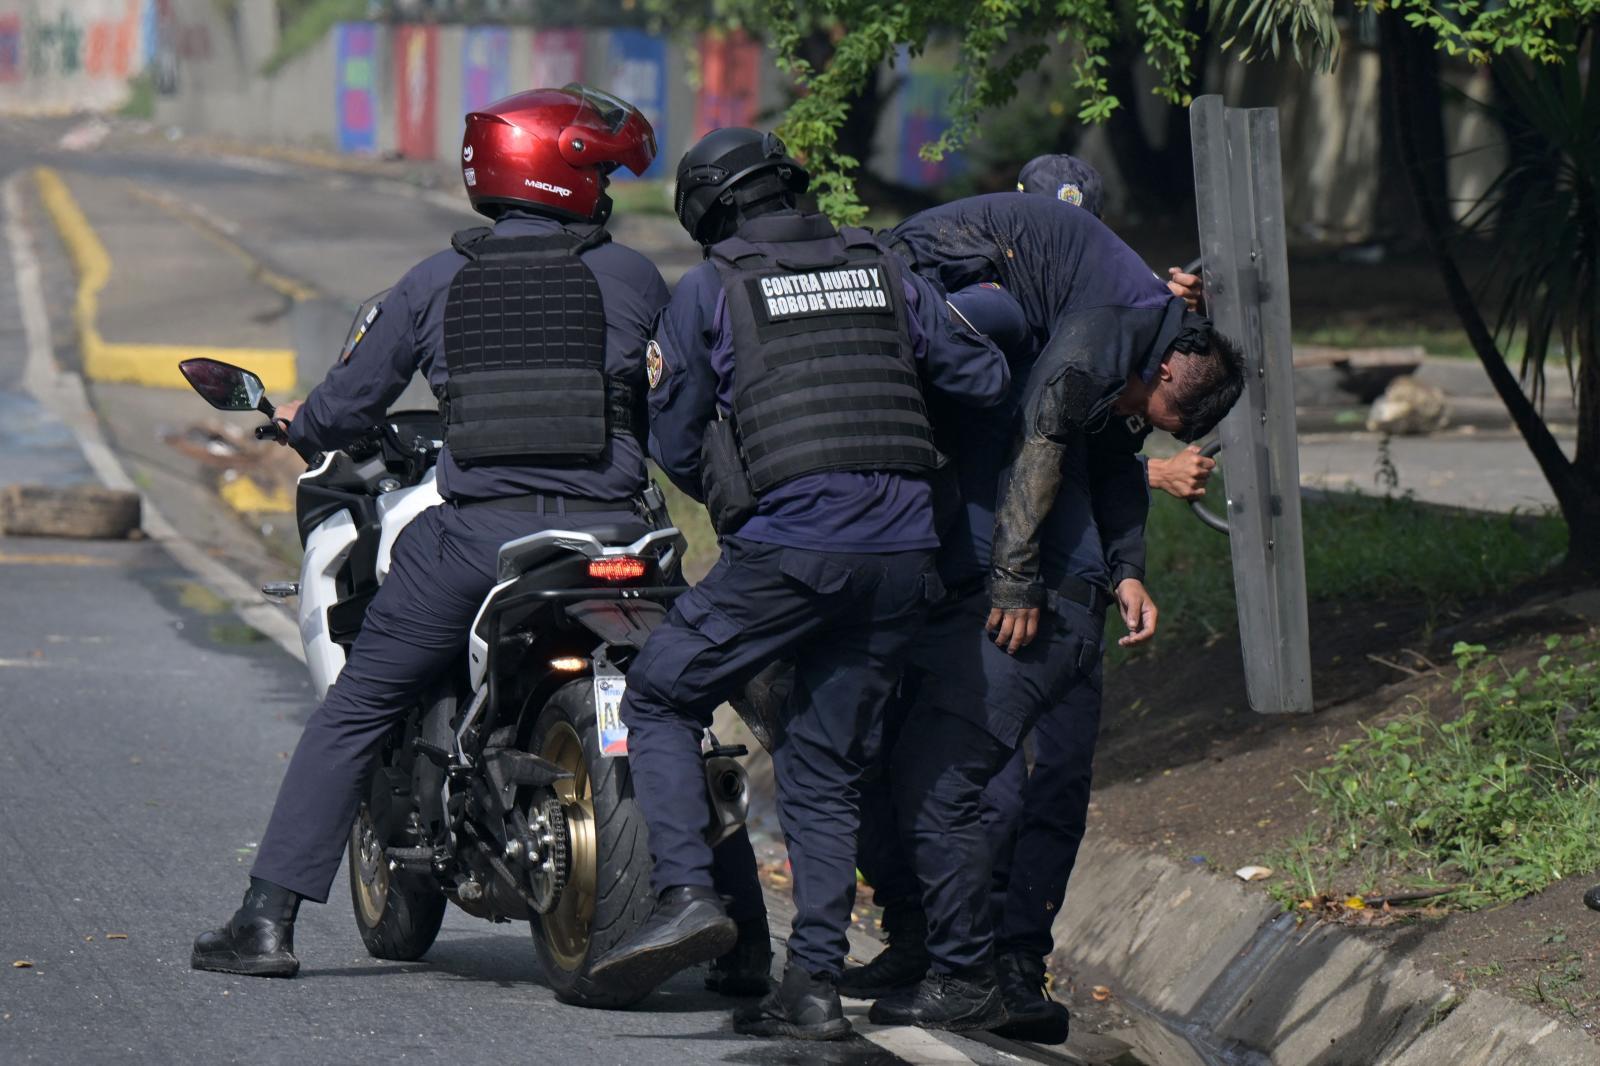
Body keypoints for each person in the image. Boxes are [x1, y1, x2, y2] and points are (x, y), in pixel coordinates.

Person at [189, 86, 673, 978]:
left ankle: (265, 921)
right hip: (619, 536)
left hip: (478, 541)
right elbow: (671, 400)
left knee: (361, 705)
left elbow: (343, 407)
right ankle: (739, 944)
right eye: (600, 169)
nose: (607, 186)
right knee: (682, 705)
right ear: (561, 173)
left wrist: (298, 425)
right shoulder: (634, 277)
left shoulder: (435, 282)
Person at [586, 127, 1010, 1040]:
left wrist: (750, 485)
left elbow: (672, 438)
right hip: (906, 556)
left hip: (792, 549)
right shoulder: (887, 269)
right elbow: (980, 374)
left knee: (658, 694)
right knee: (821, 767)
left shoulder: (711, 288)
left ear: (709, 211)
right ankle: (811, 987)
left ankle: (686, 893)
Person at [840, 191, 1245, 1032]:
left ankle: (993, 971)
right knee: (936, 772)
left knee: (989, 780)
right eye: (1148, 408)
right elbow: (1042, 440)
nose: (1136, 416)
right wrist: (1015, 581)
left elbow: (1100, 453)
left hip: (1052, 601)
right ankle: (947, 956)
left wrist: (1111, 569)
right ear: (1166, 370)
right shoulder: (1074, 330)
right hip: (926, 276)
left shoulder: (1119, 345)